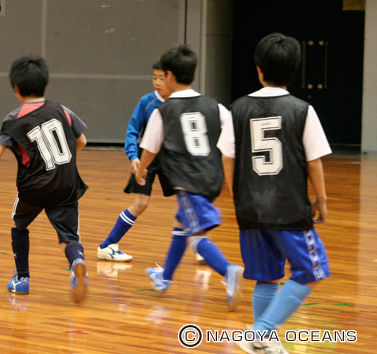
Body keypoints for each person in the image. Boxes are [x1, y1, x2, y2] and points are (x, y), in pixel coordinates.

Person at [217, 33, 331, 354]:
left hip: (251, 209)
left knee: (267, 277)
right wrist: (322, 200)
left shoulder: (237, 109)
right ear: (294, 71)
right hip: (289, 209)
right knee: (312, 271)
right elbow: (314, 161)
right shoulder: (302, 110)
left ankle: (263, 344)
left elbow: (227, 158)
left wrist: (237, 196)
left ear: (258, 69)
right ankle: (260, 332)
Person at [0, 56, 90, 304]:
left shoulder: (13, 119)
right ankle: (77, 263)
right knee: (69, 237)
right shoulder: (62, 110)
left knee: (19, 226)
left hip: (34, 187)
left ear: (16, 88)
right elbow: (81, 141)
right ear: (45, 83)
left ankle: (22, 279)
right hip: (66, 183)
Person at [136, 45, 244, 311]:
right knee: (182, 224)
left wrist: (141, 169)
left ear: (170, 76)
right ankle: (164, 277)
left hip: (188, 181)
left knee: (196, 235)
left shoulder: (163, 111)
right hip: (212, 179)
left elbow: (150, 148)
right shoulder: (215, 106)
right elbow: (233, 134)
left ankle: (228, 271)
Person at [97, 60, 172, 262]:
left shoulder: (179, 102)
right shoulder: (147, 102)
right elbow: (132, 132)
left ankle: (200, 244)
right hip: (148, 157)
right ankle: (108, 245)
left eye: (162, 78)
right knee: (140, 203)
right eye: (154, 78)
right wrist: (134, 157)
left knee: (189, 200)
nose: (157, 82)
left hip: (172, 158)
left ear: (172, 78)